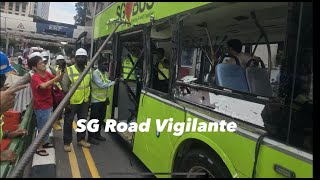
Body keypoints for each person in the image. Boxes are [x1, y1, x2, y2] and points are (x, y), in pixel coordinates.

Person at [29, 55, 63, 156]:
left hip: (48, 104)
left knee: (47, 126)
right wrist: (55, 78)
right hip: (41, 107)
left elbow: (57, 80)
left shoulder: (46, 73)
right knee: (42, 127)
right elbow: (43, 86)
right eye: (40, 63)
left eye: (43, 62)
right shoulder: (35, 77)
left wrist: (60, 73)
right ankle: (38, 147)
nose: (43, 64)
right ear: (34, 67)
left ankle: (43, 143)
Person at [61, 48, 91, 152]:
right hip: (72, 102)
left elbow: (89, 85)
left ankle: (81, 139)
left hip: (84, 101)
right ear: (76, 58)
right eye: (79, 57)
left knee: (82, 121)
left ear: (86, 58)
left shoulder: (89, 69)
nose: (81, 59)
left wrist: (89, 100)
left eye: (83, 57)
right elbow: (64, 87)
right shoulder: (69, 70)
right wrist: (67, 102)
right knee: (68, 122)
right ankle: (67, 142)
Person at [88, 58, 115, 145]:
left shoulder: (104, 73)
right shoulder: (95, 73)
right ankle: (90, 137)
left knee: (101, 118)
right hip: (96, 101)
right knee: (93, 119)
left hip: (103, 100)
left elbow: (106, 82)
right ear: (99, 65)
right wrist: (113, 83)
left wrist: (107, 98)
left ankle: (97, 134)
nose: (106, 66)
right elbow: (101, 85)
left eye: (107, 64)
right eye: (104, 64)